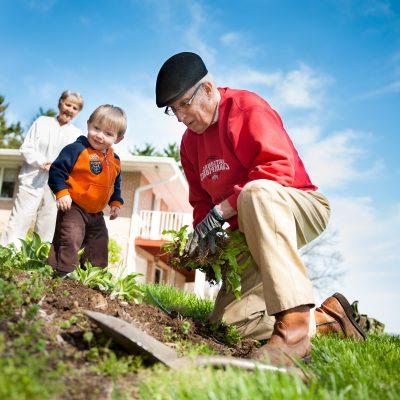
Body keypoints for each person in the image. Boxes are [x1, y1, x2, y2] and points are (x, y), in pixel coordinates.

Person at [155, 52, 366, 366]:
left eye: (185, 104)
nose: (182, 116)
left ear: (209, 90)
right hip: (250, 227)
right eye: (174, 110)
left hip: (298, 205)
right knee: (230, 324)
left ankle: (294, 333)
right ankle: (328, 321)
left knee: (255, 194)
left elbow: (277, 169)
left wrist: (222, 211)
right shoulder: (189, 144)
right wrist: (205, 240)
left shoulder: (246, 108)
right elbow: (201, 202)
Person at [47, 104, 126, 277]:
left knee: (99, 243)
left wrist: (115, 202)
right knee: (70, 238)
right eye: (96, 128)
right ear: (89, 124)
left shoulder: (115, 160)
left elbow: (116, 183)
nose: (99, 136)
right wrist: (62, 192)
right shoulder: (76, 149)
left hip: (96, 213)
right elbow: (57, 171)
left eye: (108, 133)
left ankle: (93, 276)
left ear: (118, 139)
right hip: (73, 207)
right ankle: (61, 273)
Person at [1, 90, 83, 247]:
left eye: (74, 108)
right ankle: (7, 256)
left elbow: (75, 162)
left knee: (47, 224)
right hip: (32, 179)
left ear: (77, 112)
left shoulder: (76, 134)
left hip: (56, 185)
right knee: (20, 218)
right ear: (60, 103)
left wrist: (59, 169)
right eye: (67, 104)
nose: (69, 110)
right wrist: (42, 162)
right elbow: (26, 148)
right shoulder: (42, 122)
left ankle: (38, 262)